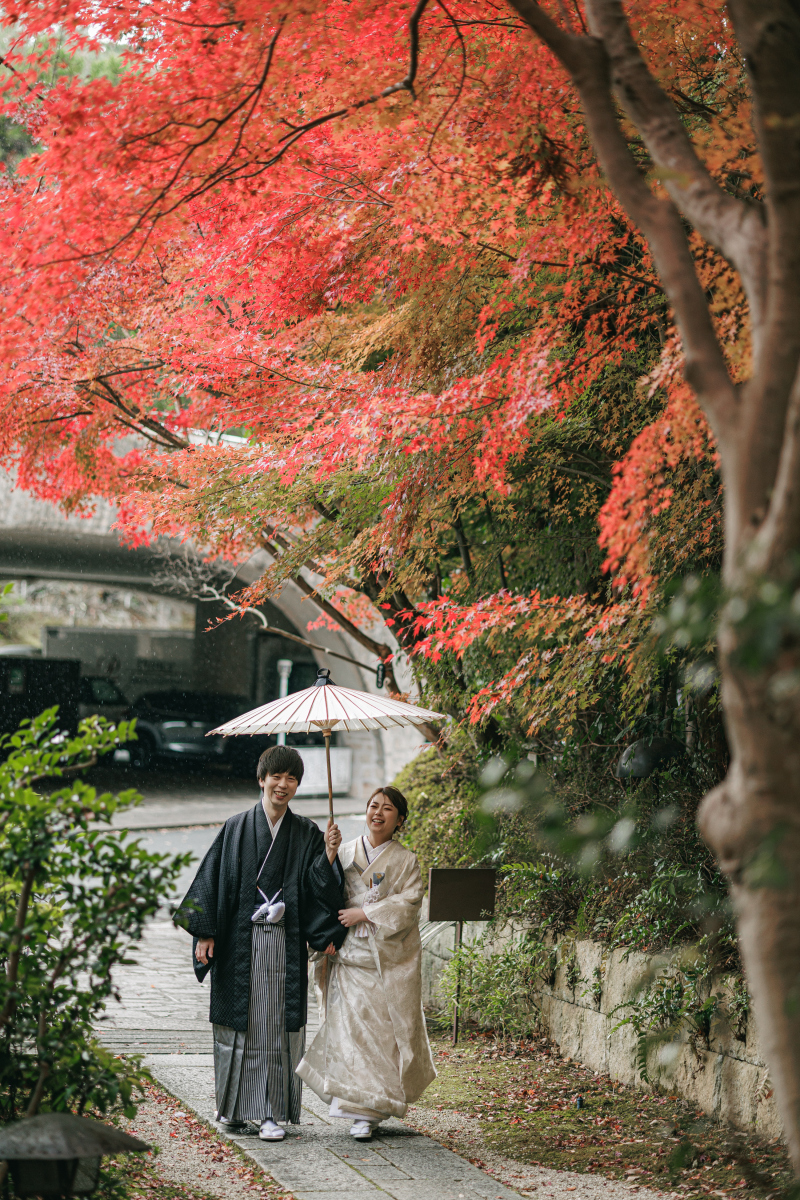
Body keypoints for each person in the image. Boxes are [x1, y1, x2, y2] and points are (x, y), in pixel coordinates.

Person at [174, 744, 346, 1141]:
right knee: (237, 1025)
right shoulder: (236, 827)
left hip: (283, 946)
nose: (282, 785)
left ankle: (269, 1112)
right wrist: (204, 931)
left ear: (298, 785)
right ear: (261, 779)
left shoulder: (305, 832)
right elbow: (213, 880)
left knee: (271, 1025)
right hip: (239, 941)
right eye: (276, 776)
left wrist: (329, 856)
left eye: (291, 778)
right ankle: (233, 1108)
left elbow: (316, 885)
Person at [296, 785, 436, 1141]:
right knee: (351, 1034)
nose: (378, 812)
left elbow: (410, 902)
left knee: (382, 1036)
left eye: (387, 809)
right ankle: (354, 1108)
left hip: (385, 962)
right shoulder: (344, 851)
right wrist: (327, 855)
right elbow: (321, 893)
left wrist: (366, 912)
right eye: (373, 806)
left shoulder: (406, 861)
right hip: (347, 958)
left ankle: (372, 1111)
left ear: (399, 819)